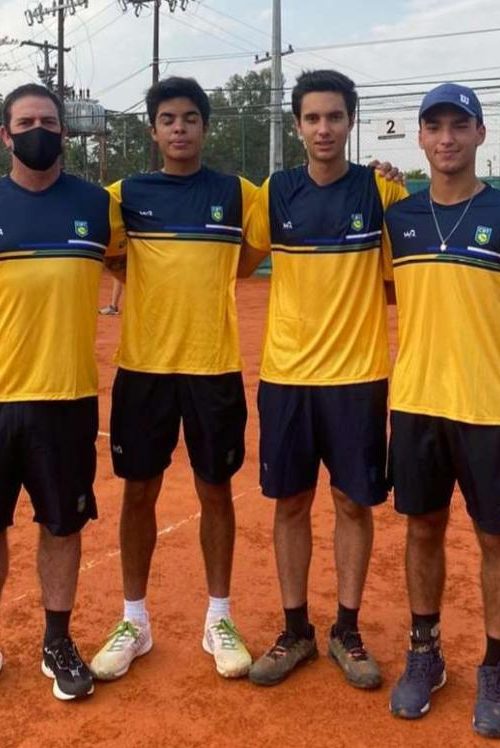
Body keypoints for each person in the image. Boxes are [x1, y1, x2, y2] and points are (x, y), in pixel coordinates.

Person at [238, 69, 407, 688]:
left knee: (352, 504)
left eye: (334, 116)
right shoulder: (274, 192)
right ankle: (296, 631)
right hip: (286, 377)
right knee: (291, 503)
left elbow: (401, 282)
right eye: (312, 118)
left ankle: (347, 630)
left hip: (357, 378)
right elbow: (239, 262)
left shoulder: (381, 192)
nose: (324, 128)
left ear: (351, 121)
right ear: (297, 125)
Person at [90, 77, 256, 681]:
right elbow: (105, 252)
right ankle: (134, 620)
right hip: (144, 370)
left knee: (216, 491)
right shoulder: (123, 196)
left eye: (190, 118)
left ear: (205, 127)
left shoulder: (239, 195)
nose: (179, 128)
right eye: (168, 119)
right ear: (153, 130)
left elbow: (249, 258)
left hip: (214, 368)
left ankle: (219, 618)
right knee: (138, 493)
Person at [0, 83, 124, 700]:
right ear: (5, 135)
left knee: (62, 526)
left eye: (48, 122)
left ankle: (57, 640)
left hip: (68, 398)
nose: (38, 132)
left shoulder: (98, 205)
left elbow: (135, 263)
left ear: (64, 132)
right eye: (25, 123)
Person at [385, 83, 500, 738]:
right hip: (418, 403)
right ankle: (425, 653)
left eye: (460, 125)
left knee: (495, 540)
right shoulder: (399, 219)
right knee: (422, 529)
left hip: (490, 407)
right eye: (436, 127)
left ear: (481, 134)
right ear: (421, 138)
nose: (447, 138)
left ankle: (496, 666)